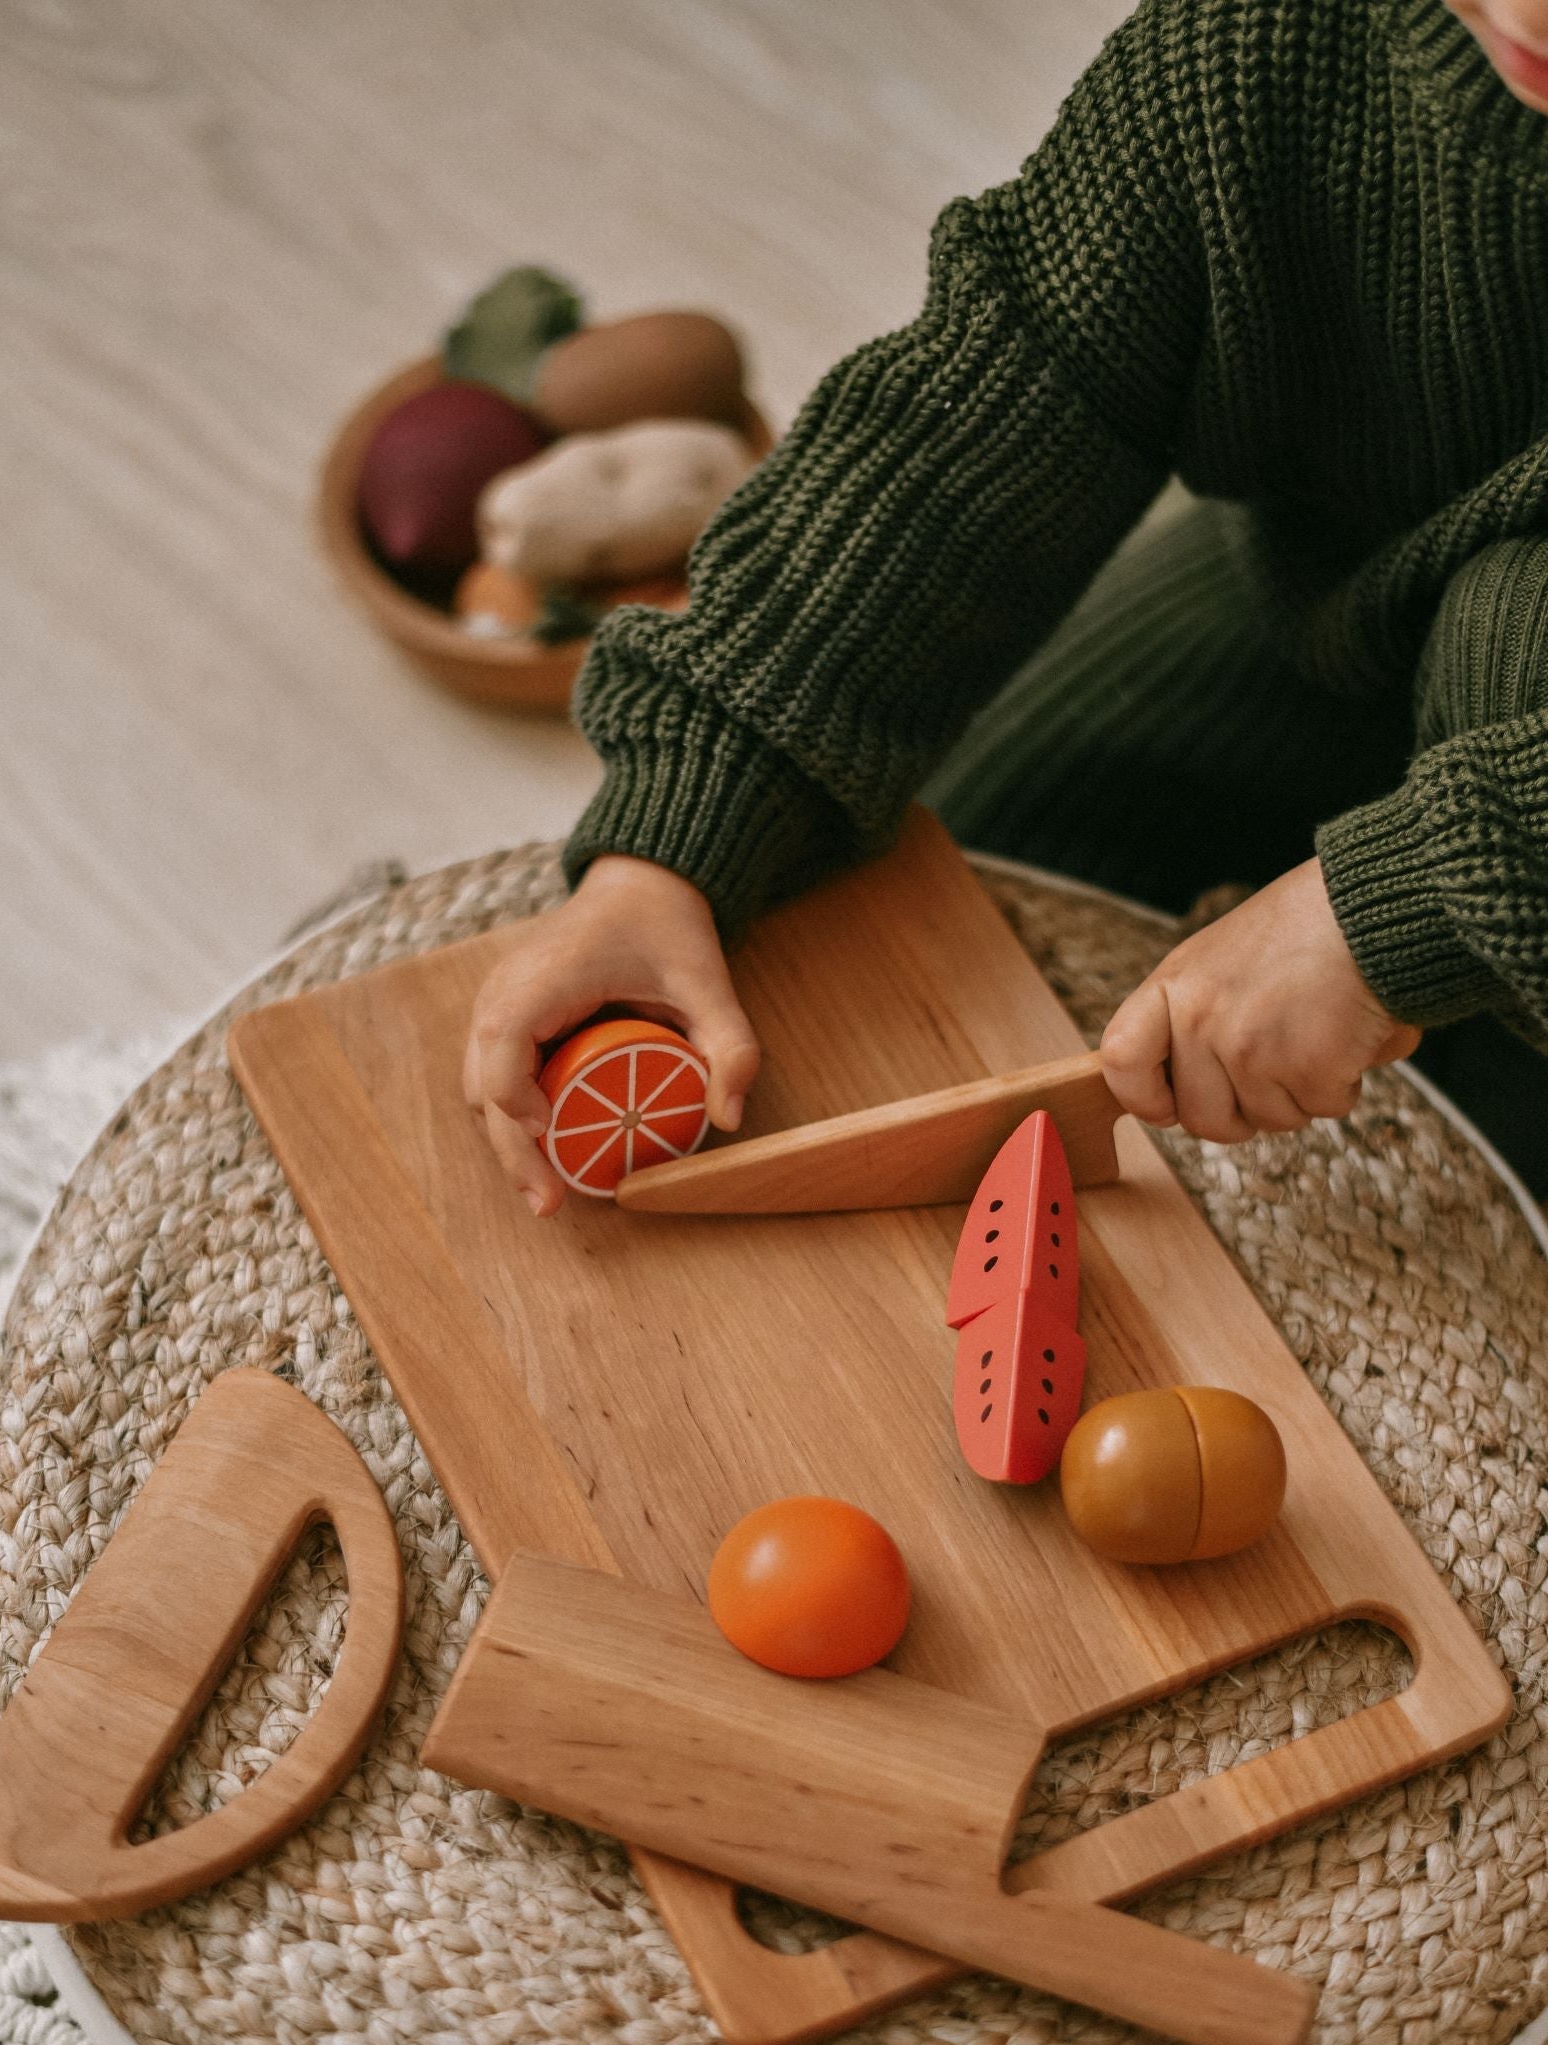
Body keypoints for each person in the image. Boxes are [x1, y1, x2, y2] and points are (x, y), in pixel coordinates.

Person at [465, 0, 1548, 1215]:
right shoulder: (1267, 43)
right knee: (945, 879)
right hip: (1344, 604)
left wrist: (1412, 902)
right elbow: (995, 402)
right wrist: (683, 816)